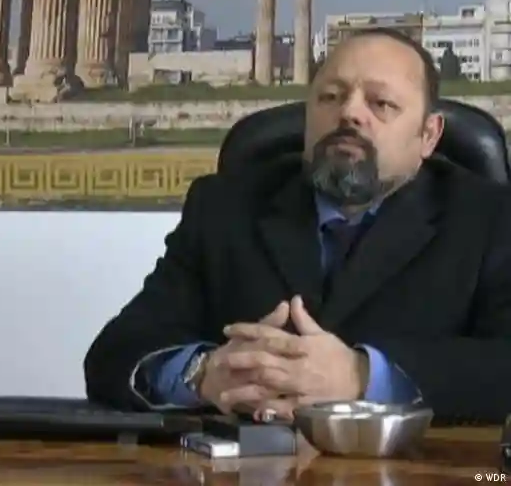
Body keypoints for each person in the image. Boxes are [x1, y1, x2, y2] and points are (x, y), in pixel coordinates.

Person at [84, 27, 511, 423]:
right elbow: (116, 353)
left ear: (429, 136)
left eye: (381, 103)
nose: (349, 113)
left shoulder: (490, 218)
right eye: (330, 96)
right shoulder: (224, 206)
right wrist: (201, 374)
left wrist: (363, 377)